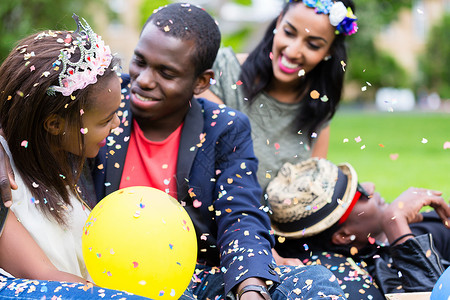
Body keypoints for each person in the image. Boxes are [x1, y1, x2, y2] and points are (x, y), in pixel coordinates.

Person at [92, 3, 346, 299]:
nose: (144, 80)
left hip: (192, 274)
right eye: (140, 61)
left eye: (166, 72)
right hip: (110, 275)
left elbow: (241, 214)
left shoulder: (224, 127)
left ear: (201, 82)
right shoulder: (103, 104)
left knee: (313, 281)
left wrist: (250, 288)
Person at [197, 0, 382, 298]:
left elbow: (308, 201)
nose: (294, 50)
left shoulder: (317, 112)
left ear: (329, 51)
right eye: (289, 32)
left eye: (313, 43)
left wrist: (359, 202)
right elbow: (212, 179)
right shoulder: (221, 74)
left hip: (282, 245)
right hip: (217, 239)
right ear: (278, 22)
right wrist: (259, 251)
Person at [0, 15, 149, 299]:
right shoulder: (7, 185)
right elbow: (46, 279)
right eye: (106, 119)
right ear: (54, 125)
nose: (118, 124)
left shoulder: (62, 150)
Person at [267, 157, 450, 295]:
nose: (371, 187)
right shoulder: (351, 282)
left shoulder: (414, 228)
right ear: (344, 236)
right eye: (359, 194)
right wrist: (396, 226)